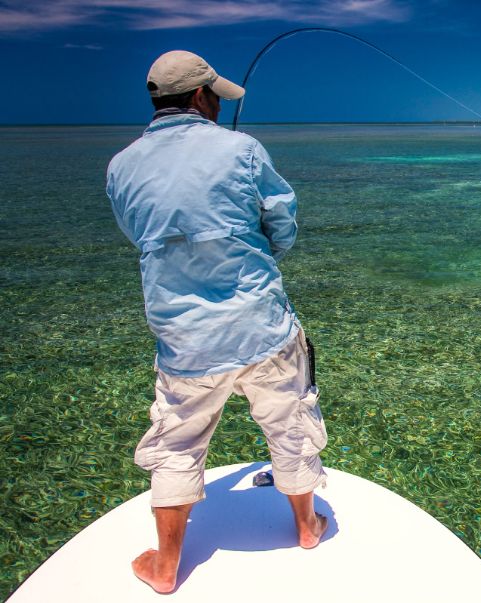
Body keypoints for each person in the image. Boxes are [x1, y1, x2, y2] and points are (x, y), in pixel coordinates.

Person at [106, 50, 328, 594]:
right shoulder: (244, 150)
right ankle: (305, 527)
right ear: (202, 97)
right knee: (290, 422)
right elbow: (282, 222)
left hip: (184, 339)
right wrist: (259, 247)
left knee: (178, 444)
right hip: (261, 327)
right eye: (215, 97)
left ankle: (166, 565)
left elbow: (139, 235)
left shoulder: (120, 166)